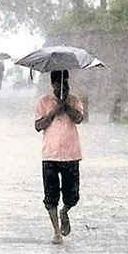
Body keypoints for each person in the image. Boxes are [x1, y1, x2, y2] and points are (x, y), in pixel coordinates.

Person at [34, 70, 84, 245]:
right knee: (51, 196)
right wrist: (54, 111)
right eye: (58, 85)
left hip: (72, 154)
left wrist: (66, 106)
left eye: (65, 85)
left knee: (73, 195)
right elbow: (38, 125)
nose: (62, 88)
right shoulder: (43, 102)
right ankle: (56, 231)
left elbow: (78, 119)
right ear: (53, 85)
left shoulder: (75, 100)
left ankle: (65, 211)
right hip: (50, 155)